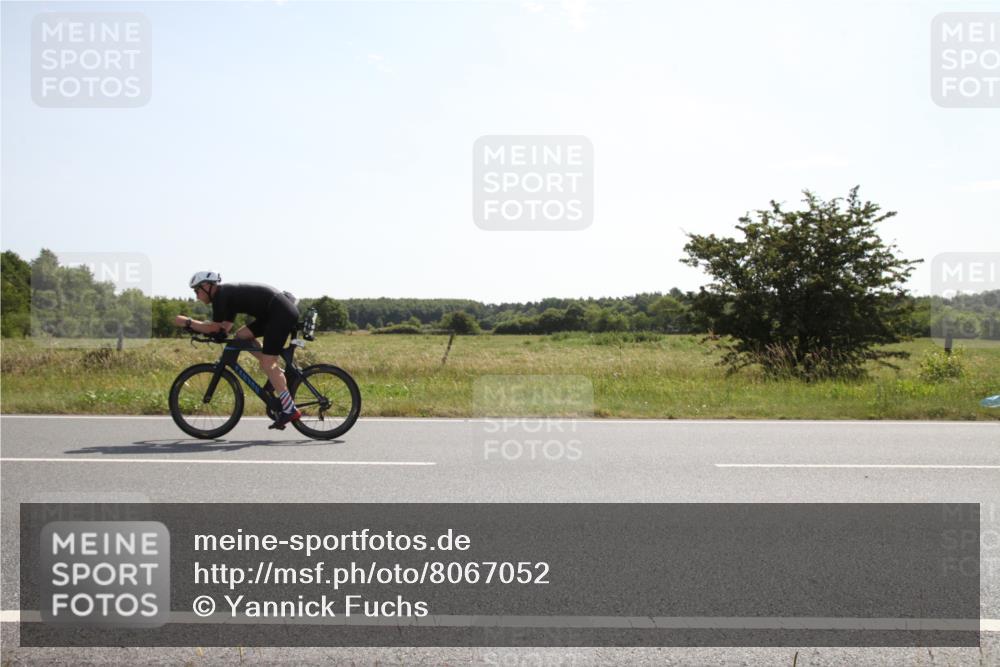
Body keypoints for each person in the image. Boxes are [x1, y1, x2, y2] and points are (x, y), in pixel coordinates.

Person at [175, 271, 301, 429]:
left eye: (197, 290)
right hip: (274, 312)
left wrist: (188, 322)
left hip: (280, 313)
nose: (197, 296)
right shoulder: (225, 296)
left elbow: (214, 327)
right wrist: (214, 333)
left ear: (207, 286)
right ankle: (277, 374)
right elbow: (224, 328)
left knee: (269, 363)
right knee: (241, 336)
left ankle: (289, 409)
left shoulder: (221, 296)